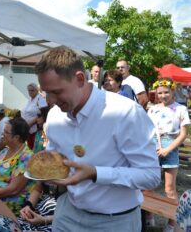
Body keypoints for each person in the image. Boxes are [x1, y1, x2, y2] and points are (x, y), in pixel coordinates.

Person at [35, 46, 161, 232]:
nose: (51, 101)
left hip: (115, 221)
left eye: (57, 92)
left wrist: (96, 173)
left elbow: (150, 176)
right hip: (67, 212)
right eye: (46, 92)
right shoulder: (54, 115)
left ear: (79, 79)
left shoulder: (124, 112)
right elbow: (57, 160)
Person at [147, 78, 190, 232]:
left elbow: (183, 134)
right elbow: (148, 130)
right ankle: (149, 216)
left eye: (166, 92)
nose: (163, 95)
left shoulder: (180, 109)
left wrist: (168, 149)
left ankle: (173, 223)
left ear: (173, 91)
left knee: (169, 189)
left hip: (170, 146)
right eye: (160, 93)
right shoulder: (152, 109)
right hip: (153, 146)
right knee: (148, 184)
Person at [0, 117, 34, 216]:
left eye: (6, 133)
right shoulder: (5, 150)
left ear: (16, 137)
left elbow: (14, 189)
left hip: (9, 203)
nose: (2, 135)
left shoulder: (27, 157)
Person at [21, 83, 47, 149]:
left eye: (32, 90)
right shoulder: (30, 99)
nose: (30, 92)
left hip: (35, 129)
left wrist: (30, 123)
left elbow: (43, 113)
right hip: (28, 129)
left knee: (35, 147)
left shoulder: (40, 99)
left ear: (37, 90)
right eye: (29, 90)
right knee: (30, 147)